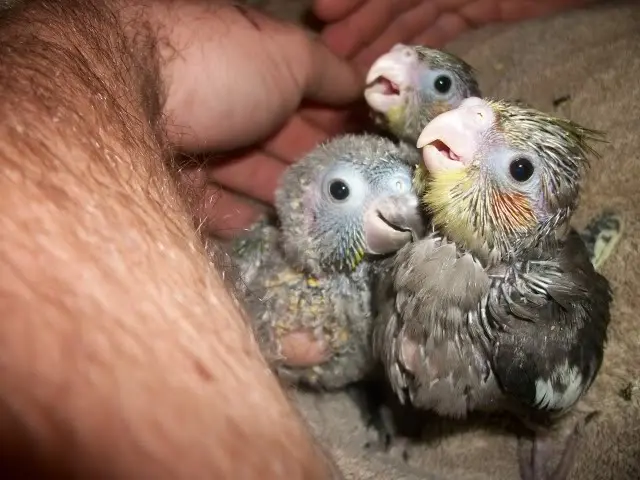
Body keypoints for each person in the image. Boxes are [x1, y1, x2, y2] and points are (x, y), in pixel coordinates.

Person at [0, 0, 591, 478]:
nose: (463, 120)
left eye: (517, 170)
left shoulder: (533, 333)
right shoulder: (405, 266)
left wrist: (114, 43)